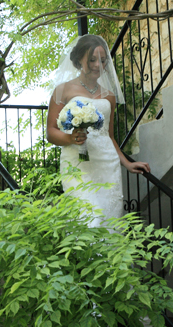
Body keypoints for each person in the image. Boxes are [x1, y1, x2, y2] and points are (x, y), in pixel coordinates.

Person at [46, 35, 150, 228]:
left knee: (110, 220)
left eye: (102, 61)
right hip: (77, 163)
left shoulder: (109, 96)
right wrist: (71, 137)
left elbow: (108, 136)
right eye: (92, 60)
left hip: (106, 163)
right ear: (78, 60)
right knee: (91, 217)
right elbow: (51, 132)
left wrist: (127, 163)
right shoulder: (63, 90)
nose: (98, 65)